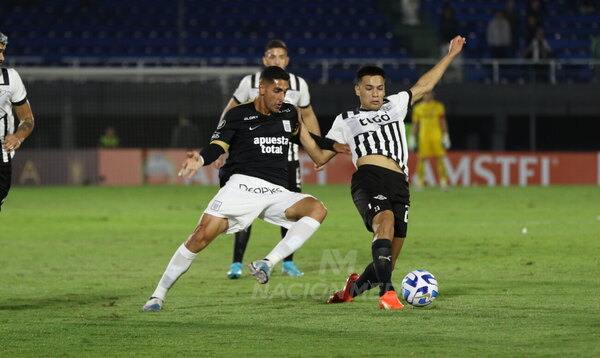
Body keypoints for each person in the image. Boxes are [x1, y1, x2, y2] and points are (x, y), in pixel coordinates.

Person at [142, 66, 348, 311]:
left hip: (276, 191)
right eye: (277, 91)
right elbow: (217, 145)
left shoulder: (290, 114)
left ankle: (267, 263)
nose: (282, 97)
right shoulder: (237, 114)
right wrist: (199, 159)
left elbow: (311, 142)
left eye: (285, 91)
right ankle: (158, 295)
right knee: (199, 238)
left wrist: (336, 145)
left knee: (317, 209)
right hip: (241, 186)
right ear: (262, 89)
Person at [299, 36, 465, 310]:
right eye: (369, 88)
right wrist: (300, 131)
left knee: (388, 259)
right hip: (369, 177)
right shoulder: (345, 120)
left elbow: (425, 85)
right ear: (357, 90)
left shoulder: (396, 104)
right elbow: (319, 156)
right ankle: (387, 294)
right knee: (384, 223)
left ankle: (351, 288)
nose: (376, 93)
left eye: (380, 88)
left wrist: (450, 55)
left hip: (399, 183)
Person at [216, 39, 322, 279]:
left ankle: (288, 262)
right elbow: (231, 111)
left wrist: (316, 148)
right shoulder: (250, 83)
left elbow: (307, 114)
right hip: (253, 156)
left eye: (280, 57)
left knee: (292, 209)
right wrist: (222, 142)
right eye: (271, 57)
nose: (276, 61)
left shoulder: (299, 84)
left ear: (287, 60)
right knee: (246, 208)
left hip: (287, 158)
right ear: (265, 60)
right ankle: (236, 263)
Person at [0, 32, 35, 212]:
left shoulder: (11, 78)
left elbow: (27, 119)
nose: (2, 57)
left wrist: (18, 137)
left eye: (3, 51)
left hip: (1, 152)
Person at [409, 91, 451, 191]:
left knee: (441, 158)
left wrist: (446, 135)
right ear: (423, 95)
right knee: (422, 159)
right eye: (426, 94)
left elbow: (442, 121)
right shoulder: (418, 108)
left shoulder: (438, 106)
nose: (428, 95)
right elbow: (415, 124)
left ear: (433, 95)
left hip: (437, 136)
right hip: (424, 137)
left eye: (430, 94)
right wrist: (412, 137)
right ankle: (419, 183)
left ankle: (444, 182)